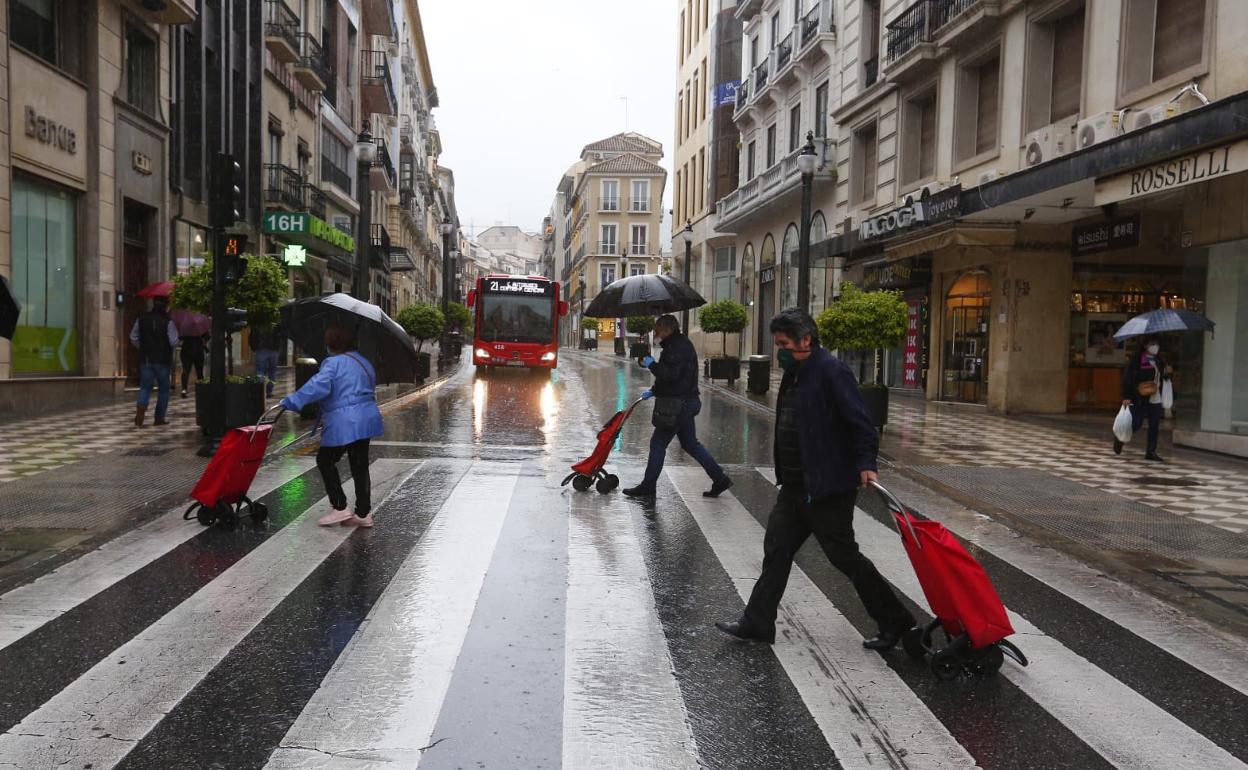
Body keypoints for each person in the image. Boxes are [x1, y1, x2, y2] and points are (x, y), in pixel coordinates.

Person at [716, 309, 915, 650]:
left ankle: (897, 621)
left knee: (845, 558)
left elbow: (861, 423)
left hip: (827, 488)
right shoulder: (797, 371)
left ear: (806, 340)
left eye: (784, 344)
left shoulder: (831, 372)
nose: (779, 351)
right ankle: (757, 623)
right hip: (795, 487)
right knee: (776, 552)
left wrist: (867, 462)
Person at [280, 326, 384, 528]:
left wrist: (293, 401)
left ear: (333, 343)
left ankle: (339, 506)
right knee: (359, 464)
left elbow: (318, 386)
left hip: (346, 419)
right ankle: (363, 514)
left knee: (325, 459)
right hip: (367, 417)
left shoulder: (333, 363)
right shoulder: (364, 362)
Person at [623, 314, 732, 499]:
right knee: (690, 443)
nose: (656, 334)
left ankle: (648, 486)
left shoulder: (676, 347)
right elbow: (675, 378)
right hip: (685, 401)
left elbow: (671, 375)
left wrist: (652, 365)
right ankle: (719, 478)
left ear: (667, 330)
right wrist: (655, 389)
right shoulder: (677, 345)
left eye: (658, 331)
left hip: (677, 405)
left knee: (658, 444)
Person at [1115, 336, 1171, 462]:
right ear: (1145, 345)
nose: (1155, 346)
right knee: (1136, 422)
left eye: (1156, 343)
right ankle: (1120, 438)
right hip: (1139, 397)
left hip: (1155, 398)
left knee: (1154, 425)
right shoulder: (1137, 360)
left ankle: (1151, 451)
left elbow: (1163, 376)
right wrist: (1127, 396)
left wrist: (1167, 373)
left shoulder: (1159, 360)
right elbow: (1128, 378)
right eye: (1152, 343)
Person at [130, 295, 179, 427]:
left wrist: (143, 347)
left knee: (145, 386)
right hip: (162, 360)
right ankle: (159, 418)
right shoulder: (168, 322)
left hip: (146, 359)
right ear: (166, 306)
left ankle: (141, 407)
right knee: (164, 389)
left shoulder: (141, 319)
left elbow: (133, 337)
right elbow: (173, 341)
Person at [250, 323, 284, 398]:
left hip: (261, 348)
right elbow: (281, 334)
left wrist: (254, 347)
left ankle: (260, 391)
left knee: (260, 370)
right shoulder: (276, 323)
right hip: (274, 350)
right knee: (272, 371)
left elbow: (253, 335)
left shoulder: (259, 323)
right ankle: (269, 391)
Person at [180, 332, 207, 398]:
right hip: (198, 350)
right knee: (199, 371)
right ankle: (201, 390)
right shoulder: (200, 327)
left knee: (186, 370)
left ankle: (184, 389)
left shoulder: (185, 327)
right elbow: (207, 336)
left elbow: (180, 338)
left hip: (186, 350)